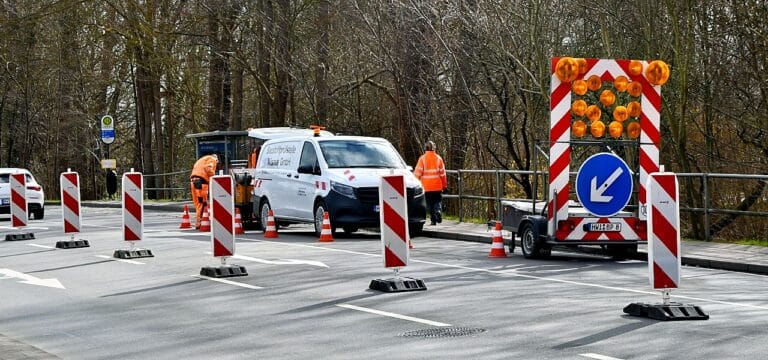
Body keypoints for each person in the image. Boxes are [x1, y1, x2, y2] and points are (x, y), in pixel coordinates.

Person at [413, 141, 447, 225]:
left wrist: (414, 184)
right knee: (437, 201)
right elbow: (443, 174)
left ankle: (433, 220)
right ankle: (438, 211)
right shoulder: (438, 158)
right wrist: (444, 185)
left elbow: (417, 173)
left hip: (426, 186)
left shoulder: (422, 159)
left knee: (430, 204)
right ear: (434, 148)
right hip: (437, 186)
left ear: (425, 148)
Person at [190, 154, 219, 229]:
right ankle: (200, 221)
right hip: (201, 182)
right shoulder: (212, 159)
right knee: (202, 202)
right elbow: (208, 168)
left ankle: (199, 220)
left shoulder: (201, 160)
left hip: (193, 181)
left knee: (197, 203)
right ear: (216, 159)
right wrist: (214, 177)